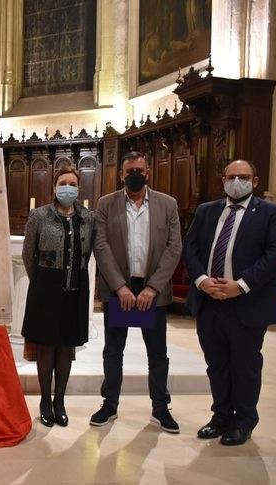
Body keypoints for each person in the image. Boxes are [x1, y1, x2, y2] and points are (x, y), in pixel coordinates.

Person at [184, 160, 276, 446]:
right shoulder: (208, 211)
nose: (236, 181)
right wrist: (202, 280)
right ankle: (220, 417)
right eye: (231, 177)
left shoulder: (272, 212)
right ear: (223, 180)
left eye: (243, 177)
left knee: (244, 365)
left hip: (248, 302)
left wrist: (241, 285)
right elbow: (190, 248)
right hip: (210, 301)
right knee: (216, 364)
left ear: (255, 181)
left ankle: (243, 421)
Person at [91, 151, 182, 433]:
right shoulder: (107, 204)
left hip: (152, 290)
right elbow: (101, 245)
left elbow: (173, 247)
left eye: (140, 169)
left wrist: (153, 287)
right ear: (121, 174)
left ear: (148, 172)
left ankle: (160, 407)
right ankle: (110, 404)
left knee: (157, 353)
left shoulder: (167, 204)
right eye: (130, 170)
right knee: (113, 351)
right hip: (120, 288)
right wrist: (119, 286)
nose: (135, 174)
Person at [21, 166, 94, 427]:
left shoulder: (88, 217)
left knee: (66, 347)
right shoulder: (40, 215)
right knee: (46, 346)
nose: (67, 187)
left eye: (72, 183)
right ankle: (44, 401)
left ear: (79, 188)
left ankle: (59, 401)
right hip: (46, 288)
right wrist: (42, 281)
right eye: (62, 182)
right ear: (54, 186)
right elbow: (28, 255)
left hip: (75, 289)